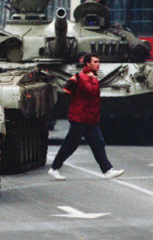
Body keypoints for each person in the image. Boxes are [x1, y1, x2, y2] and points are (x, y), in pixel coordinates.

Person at [48, 52, 125, 181]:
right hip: (80, 118)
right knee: (70, 145)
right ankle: (54, 168)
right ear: (87, 64)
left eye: (98, 62)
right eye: (95, 62)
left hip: (90, 118)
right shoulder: (80, 77)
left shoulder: (89, 78)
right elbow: (72, 91)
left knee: (98, 143)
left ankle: (107, 170)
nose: (98, 64)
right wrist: (78, 99)